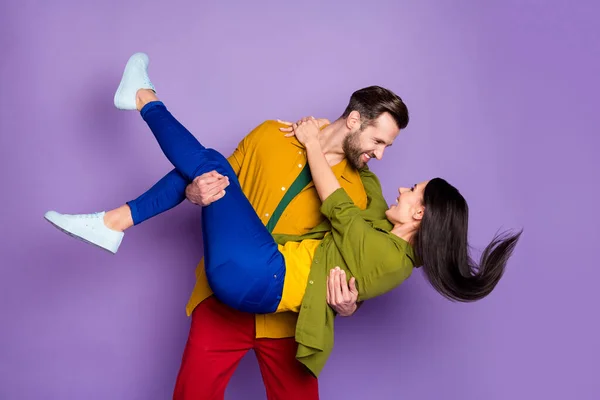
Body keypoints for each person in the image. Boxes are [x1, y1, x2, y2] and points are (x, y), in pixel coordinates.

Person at [45, 53, 522, 397]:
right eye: (378, 140)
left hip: (291, 318)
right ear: (354, 119)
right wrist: (194, 193)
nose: (379, 156)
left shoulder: (362, 193)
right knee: (209, 168)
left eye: (386, 149)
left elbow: (369, 260)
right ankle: (116, 214)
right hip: (226, 296)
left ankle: (123, 187)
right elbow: (211, 174)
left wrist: (351, 304)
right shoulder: (272, 136)